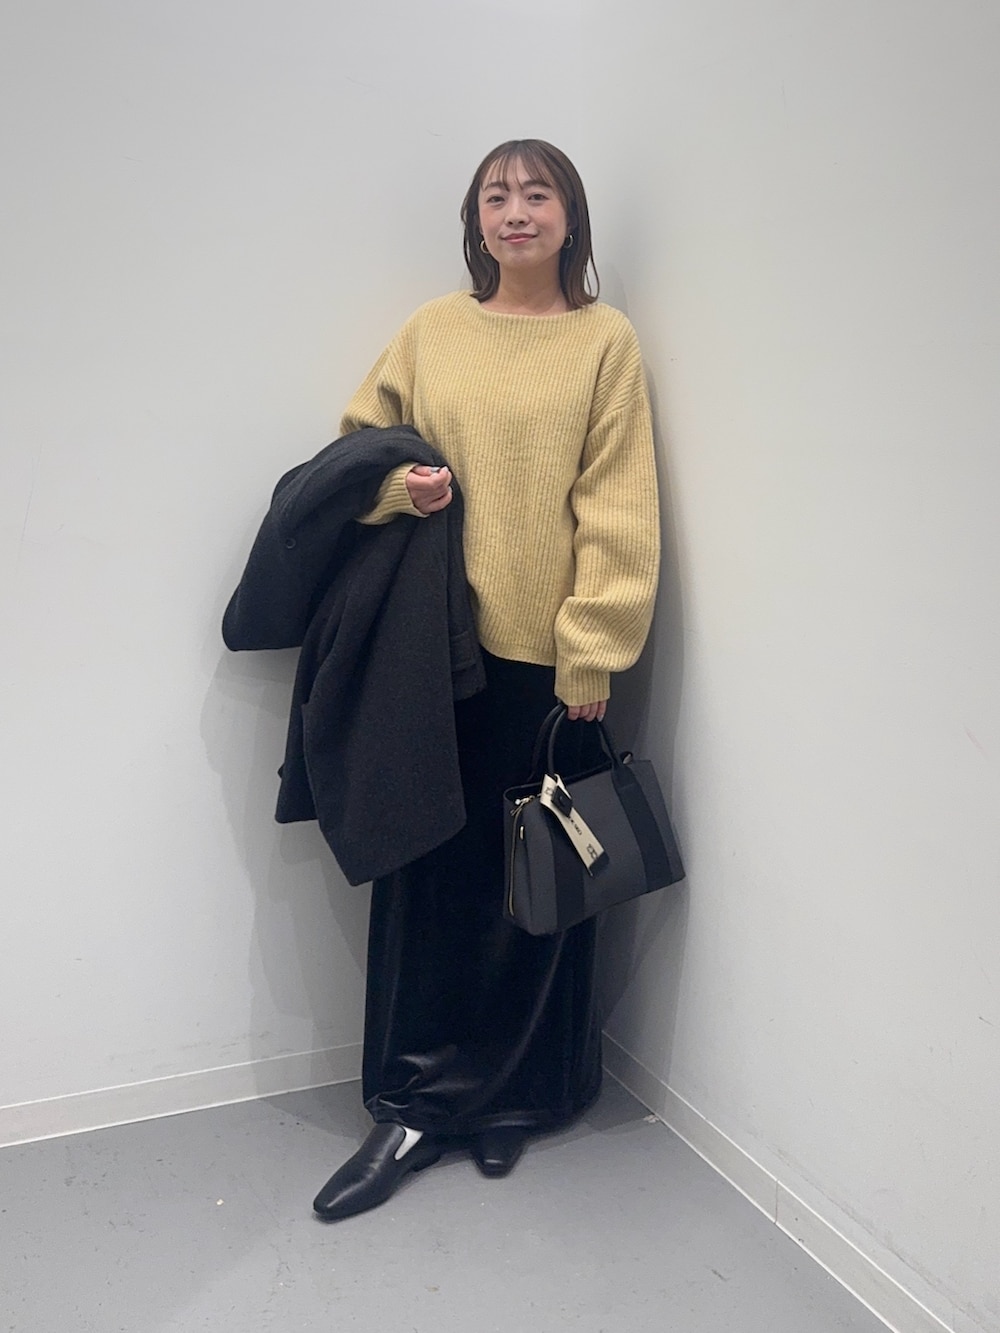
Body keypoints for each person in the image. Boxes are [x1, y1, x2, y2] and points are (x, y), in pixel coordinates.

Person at [312, 139, 660, 1221]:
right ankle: (413, 1105)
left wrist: (593, 646)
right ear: (475, 221)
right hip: (428, 650)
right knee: (429, 876)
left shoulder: (604, 342)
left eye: (536, 193)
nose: (516, 211)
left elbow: (616, 500)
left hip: (547, 661)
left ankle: (516, 1097)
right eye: (496, 196)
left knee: (538, 887)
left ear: (569, 217)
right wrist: (397, 491)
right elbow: (355, 451)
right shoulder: (433, 329)